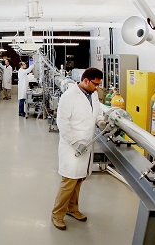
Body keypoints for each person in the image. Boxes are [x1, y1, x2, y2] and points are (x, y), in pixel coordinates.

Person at [51, 68, 105, 230]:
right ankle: (57, 215)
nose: (97, 88)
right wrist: (75, 143)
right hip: (72, 147)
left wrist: (101, 121)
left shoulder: (93, 95)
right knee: (68, 182)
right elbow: (63, 122)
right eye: (95, 84)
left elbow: (97, 113)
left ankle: (72, 209)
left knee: (79, 179)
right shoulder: (69, 96)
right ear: (86, 80)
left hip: (86, 144)